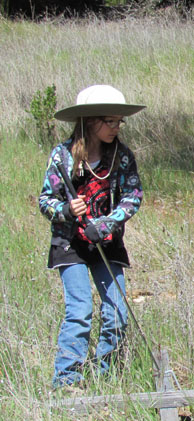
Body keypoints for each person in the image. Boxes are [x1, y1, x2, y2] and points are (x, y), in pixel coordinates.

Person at [38, 85, 145, 390]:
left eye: (118, 122)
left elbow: (133, 196)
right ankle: (67, 382)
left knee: (116, 311)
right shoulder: (63, 156)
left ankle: (105, 379)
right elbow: (46, 199)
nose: (115, 127)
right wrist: (66, 210)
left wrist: (109, 222)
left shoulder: (121, 157)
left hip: (106, 243)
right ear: (89, 121)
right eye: (109, 121)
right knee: (80, 310)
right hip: (70, 243)